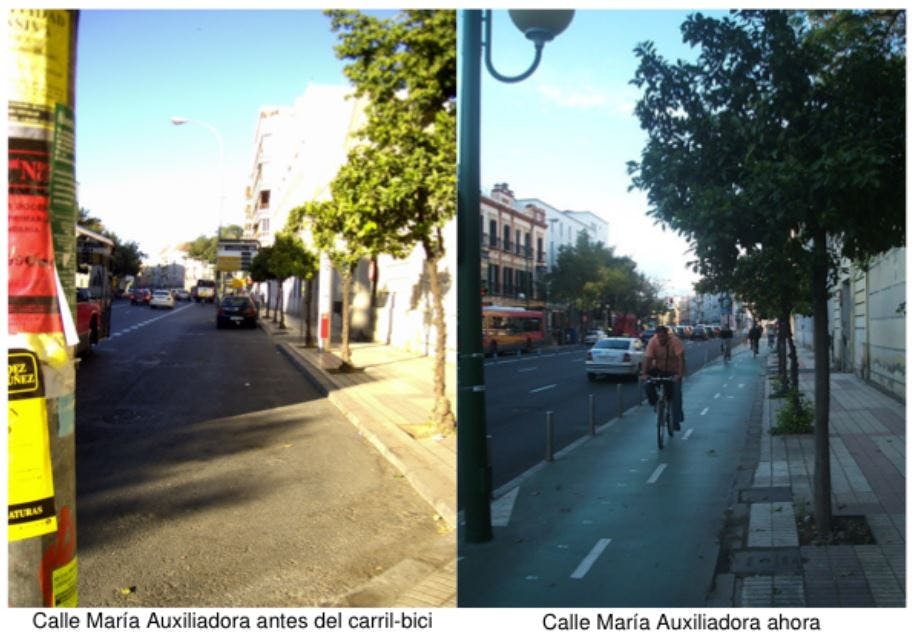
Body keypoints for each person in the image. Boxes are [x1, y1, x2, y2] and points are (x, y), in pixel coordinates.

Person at [641, 325, 685, 430]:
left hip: (673, 371)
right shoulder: (653, 342)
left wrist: (679, 375)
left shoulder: (675, 342)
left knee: (676, 394)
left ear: (667, 336)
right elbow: (648, 359)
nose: (660, 339)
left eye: (663, 337)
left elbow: (681, 359)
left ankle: (676, 421)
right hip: (658, 370)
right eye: (658, 337)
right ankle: (656, 403)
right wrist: (645, 374)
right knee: (647, 385)